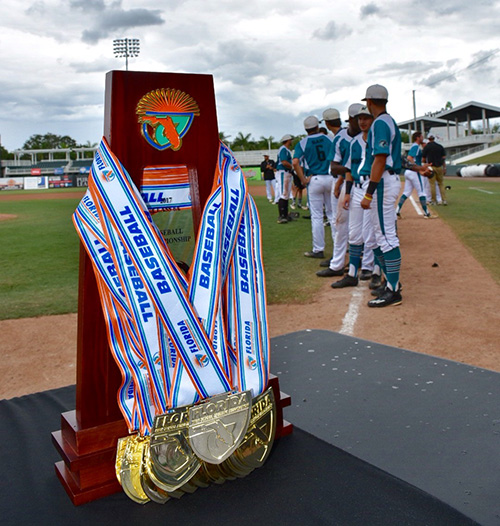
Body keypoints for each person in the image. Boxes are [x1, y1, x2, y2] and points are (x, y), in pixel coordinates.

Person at [360, 84, 403, 307]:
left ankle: (394, 290)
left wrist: (368, 193)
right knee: (376, 237)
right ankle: (391, 284)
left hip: (383, 182)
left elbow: (380, 158)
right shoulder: (388, 121)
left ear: (369, 101)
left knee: (386, 238)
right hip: (386, 180)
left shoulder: (380, 123)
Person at [330, 105, 381, 288]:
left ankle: (376, 271)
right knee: (354, 232)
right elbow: (350, 170)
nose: (362, 122)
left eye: (366, 118)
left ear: (372, 119)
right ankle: (352, 273)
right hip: (357, 186)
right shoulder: (354, 142)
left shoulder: (377, 139)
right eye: (360, 118)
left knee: (372, 232)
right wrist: (348, 192)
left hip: (373, 185)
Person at [316, 103, 362, 277]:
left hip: (357, 184)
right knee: (341, 223)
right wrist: (348, 173)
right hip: (344, 184)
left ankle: (362, 264)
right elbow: (335, 167)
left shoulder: (366, 137)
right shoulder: (341, 137)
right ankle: (337, 262)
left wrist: (345, 174)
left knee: (362, 227)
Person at [292, 116, 334, 257]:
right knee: (332, 215)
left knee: (316, 217)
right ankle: (340, 247)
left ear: (306, 129)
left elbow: (296, 162)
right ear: (317, 126)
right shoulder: (329, 138)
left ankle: (318, 249)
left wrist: (302, 179)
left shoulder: (302, 143)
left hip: (314, 179)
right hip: (330, 178)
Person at [396, 132, 434, 218]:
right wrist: (418, 168)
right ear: (417, 138)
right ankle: (427, 213)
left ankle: (397, 210)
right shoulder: (416, 146)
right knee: (421, 191)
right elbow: (409, 158)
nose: (422, 138)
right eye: (421, 137)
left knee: (407, 192)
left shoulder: (415, 146)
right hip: (413, 172)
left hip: (409, 172)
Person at [422, 134, 447, 205]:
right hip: (439, 166)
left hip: (431, 167)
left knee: (432, 184)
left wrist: (425, 165)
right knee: (441, 184)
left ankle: (433, 201)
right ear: (434, 138)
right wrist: (444, 167)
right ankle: (444, 200)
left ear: (428, 139)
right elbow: (444, 157)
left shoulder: (427, 147)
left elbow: (423, 159)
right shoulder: (440, 146)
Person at [276, 134, 295, 223]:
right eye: (291, 140)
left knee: (286, 194)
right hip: (283, 172)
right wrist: (293, 167)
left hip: (287, 172)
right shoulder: (283, 149)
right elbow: (284, 162)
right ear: (288, 140)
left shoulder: (286, 149)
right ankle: (282, 215)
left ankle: (285, 214)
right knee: (283, 193)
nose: (292, 141)